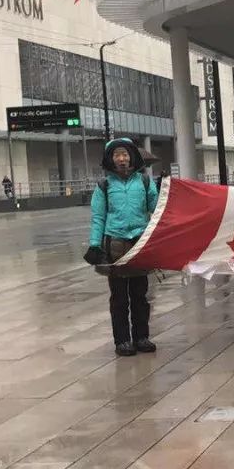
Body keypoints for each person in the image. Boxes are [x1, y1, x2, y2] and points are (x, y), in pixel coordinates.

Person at [84, 138, 160, 357]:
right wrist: (95, 245)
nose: (121, 158)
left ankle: (141, 337)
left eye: (125, 154)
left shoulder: (144, 182)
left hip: (139, 243)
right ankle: (122, 340)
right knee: (119, 298)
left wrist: (165, 192)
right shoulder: (104, 186)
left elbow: (157, 210)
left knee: (140, 295)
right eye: (117, 154)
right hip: (114, 245)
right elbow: (98, 217)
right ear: (110, 159)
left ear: (132, 157)